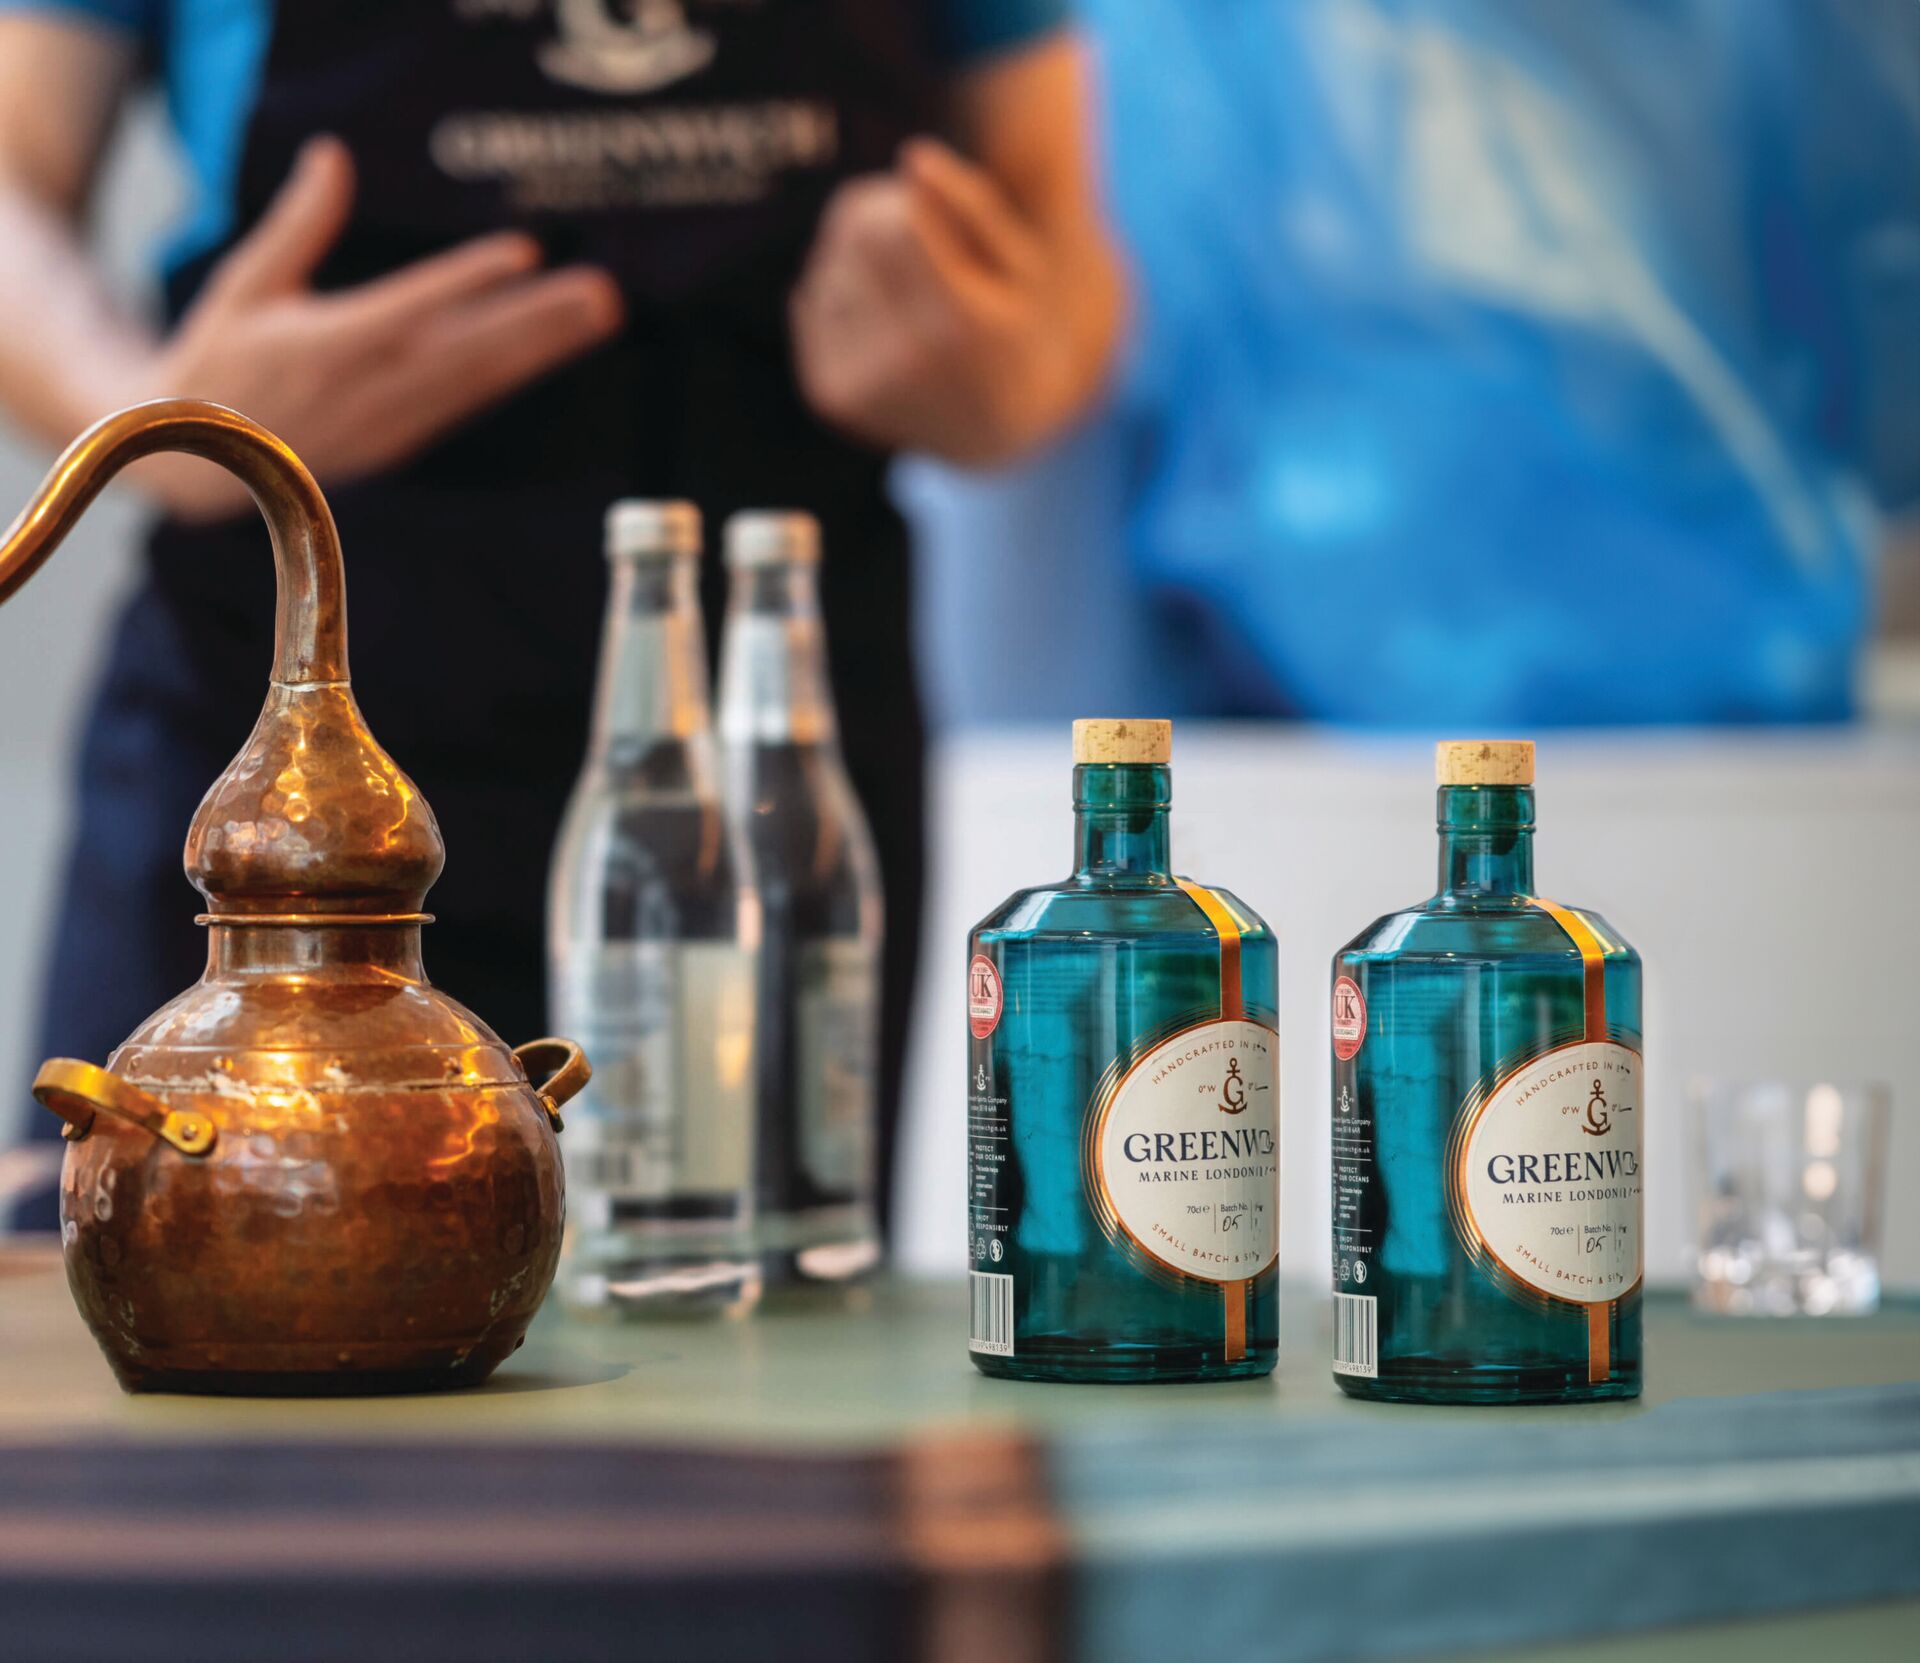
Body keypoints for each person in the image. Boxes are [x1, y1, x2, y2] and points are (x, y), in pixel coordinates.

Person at [0, 0, 1125, 1232]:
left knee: (758, 1343)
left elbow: (1060, 246)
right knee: (164, 1278)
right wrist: (154, 419)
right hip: (278, 743)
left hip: (763, 746)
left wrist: (1007, 375)